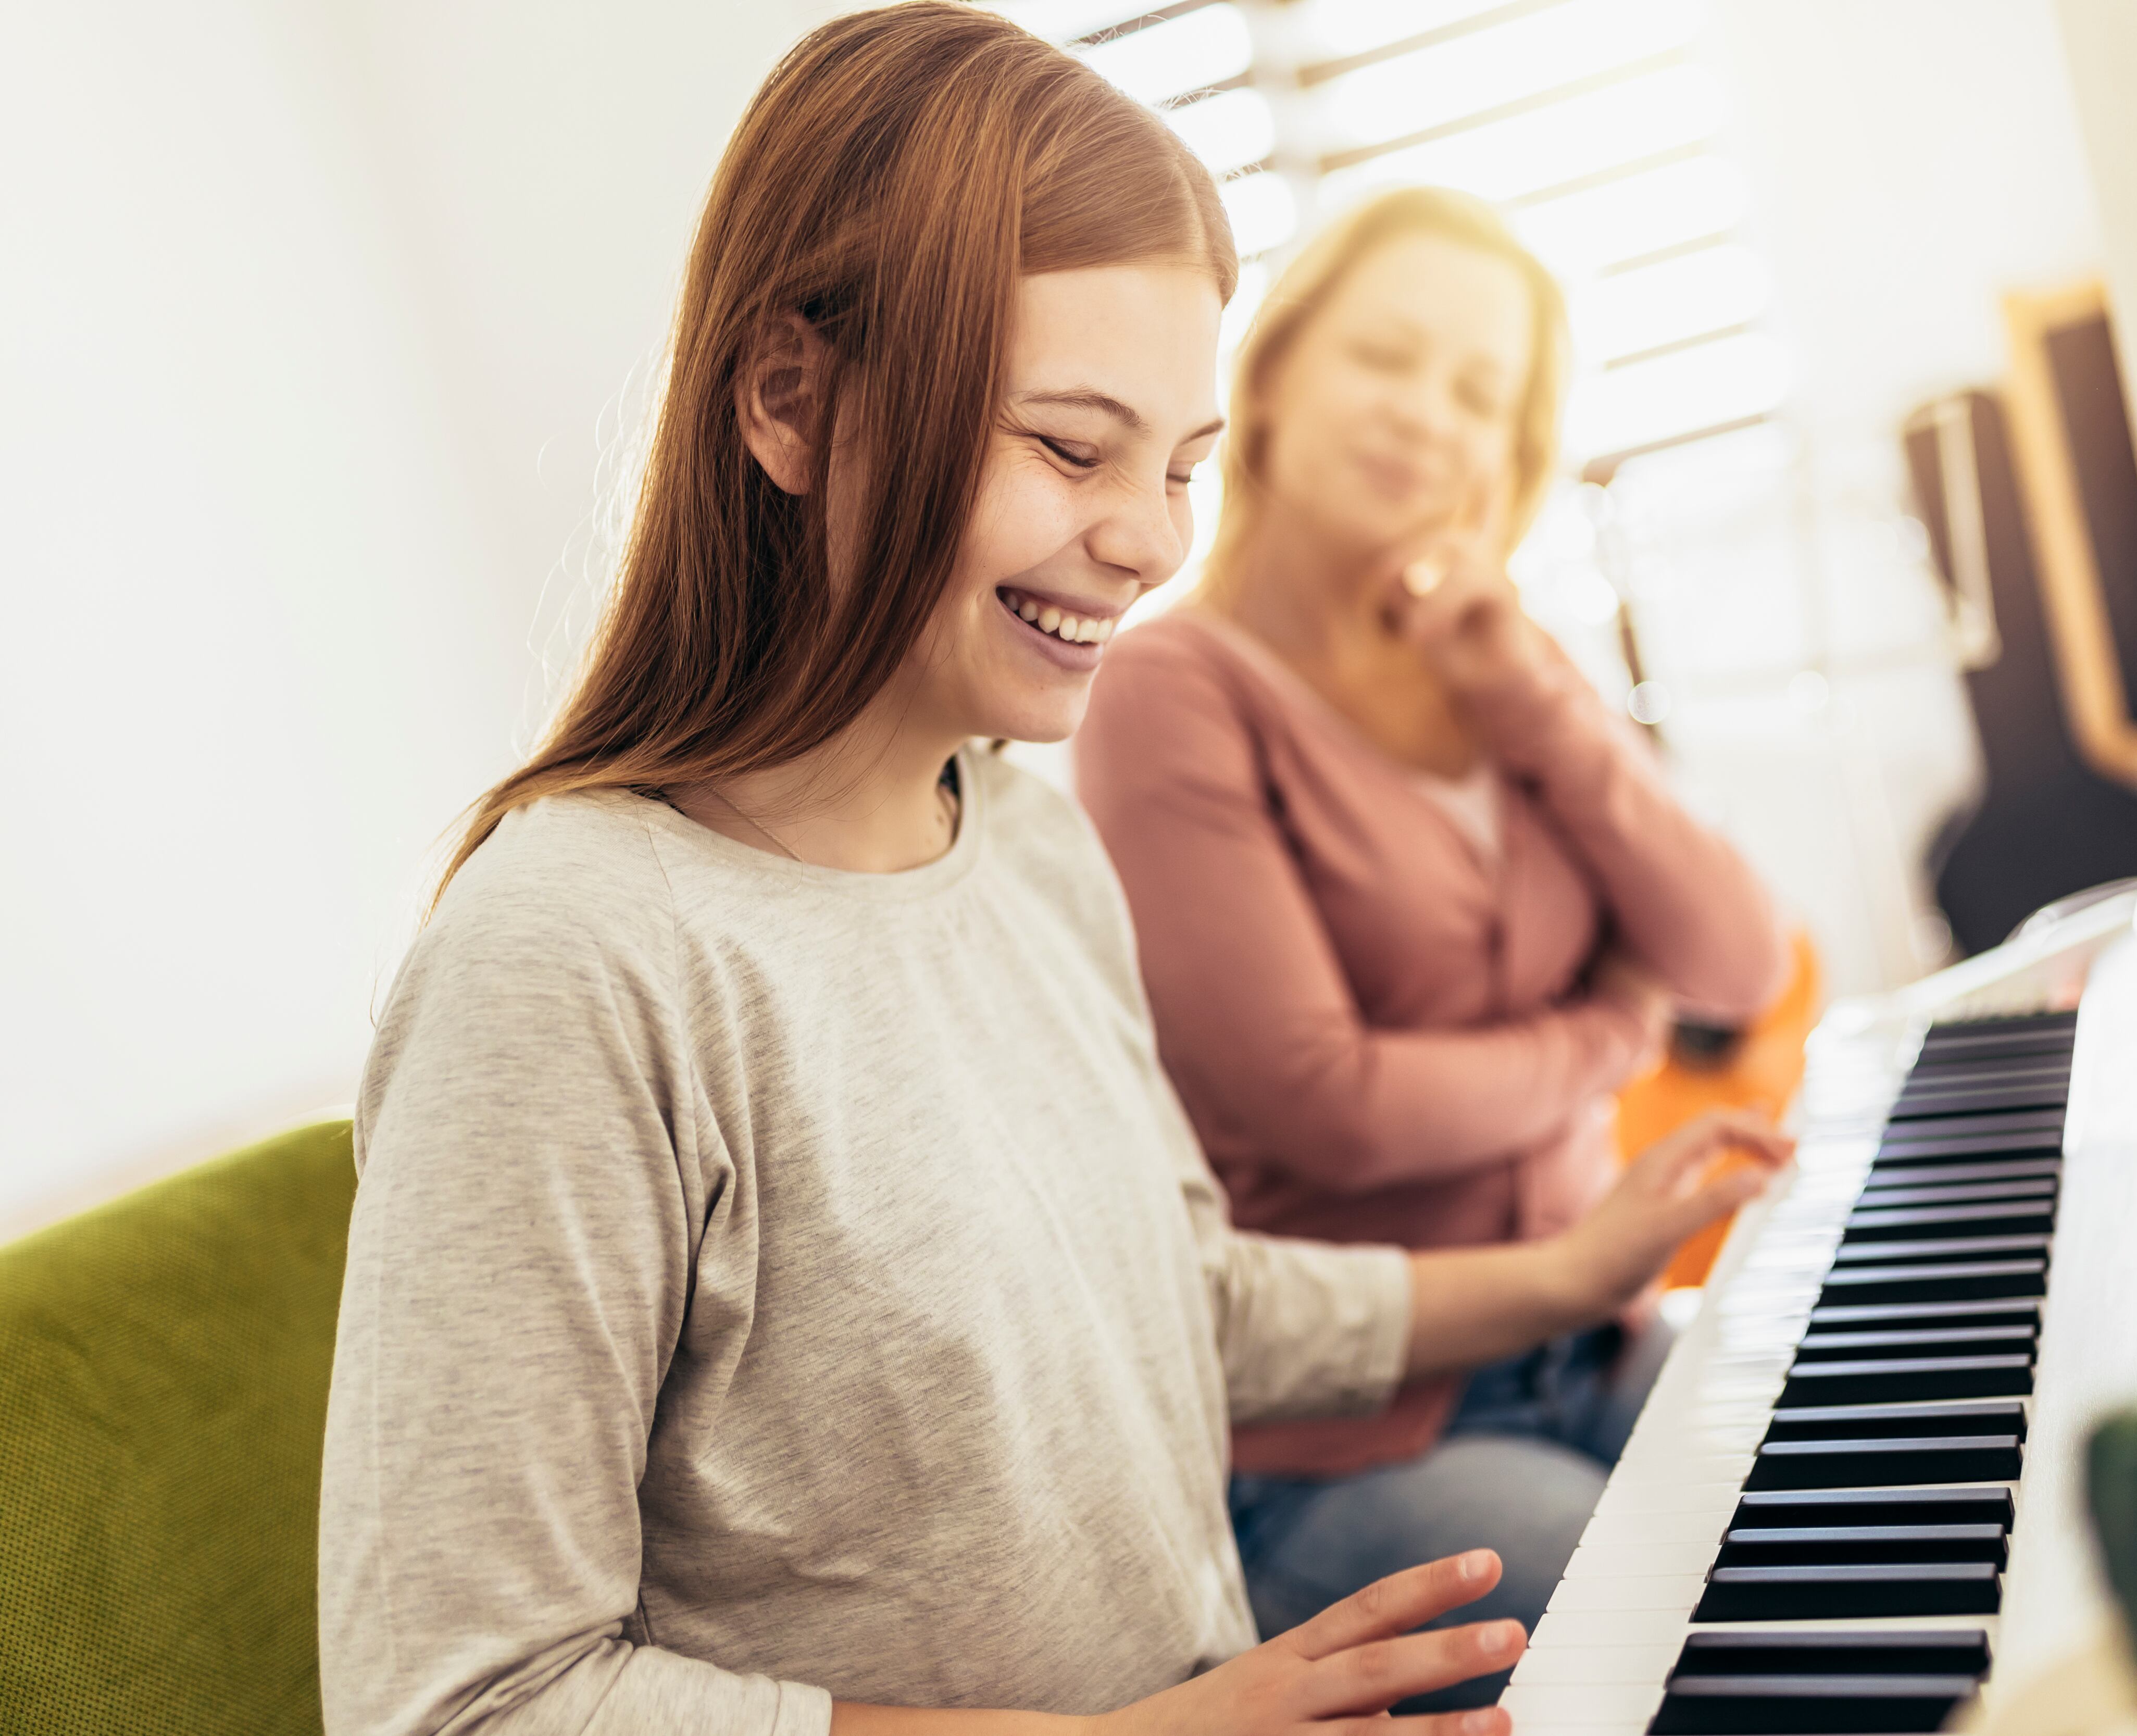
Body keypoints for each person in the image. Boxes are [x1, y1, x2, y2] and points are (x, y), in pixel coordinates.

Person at [318, 14, 1788, 1736]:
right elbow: (462, 1702)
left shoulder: (1021, 834)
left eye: (1180, 466)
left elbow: (1183, 1297)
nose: (1156, 543)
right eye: (1072, 450)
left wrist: (1568, 1269)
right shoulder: (567, 960)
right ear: (793, 402)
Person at [1071, 189, 1791, 1669]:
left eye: (1480, 395)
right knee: (1712, 1633)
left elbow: (1736, 961)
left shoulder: (1500, 665)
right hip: (1347, 1441)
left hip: (1589, 1349)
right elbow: (1330, 1106)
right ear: (1271, 376)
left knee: (1847, 1514)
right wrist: (1604, 1032)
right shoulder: (1169, 693)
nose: (1426, 417)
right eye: (1388, 358)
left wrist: (1523, 691)